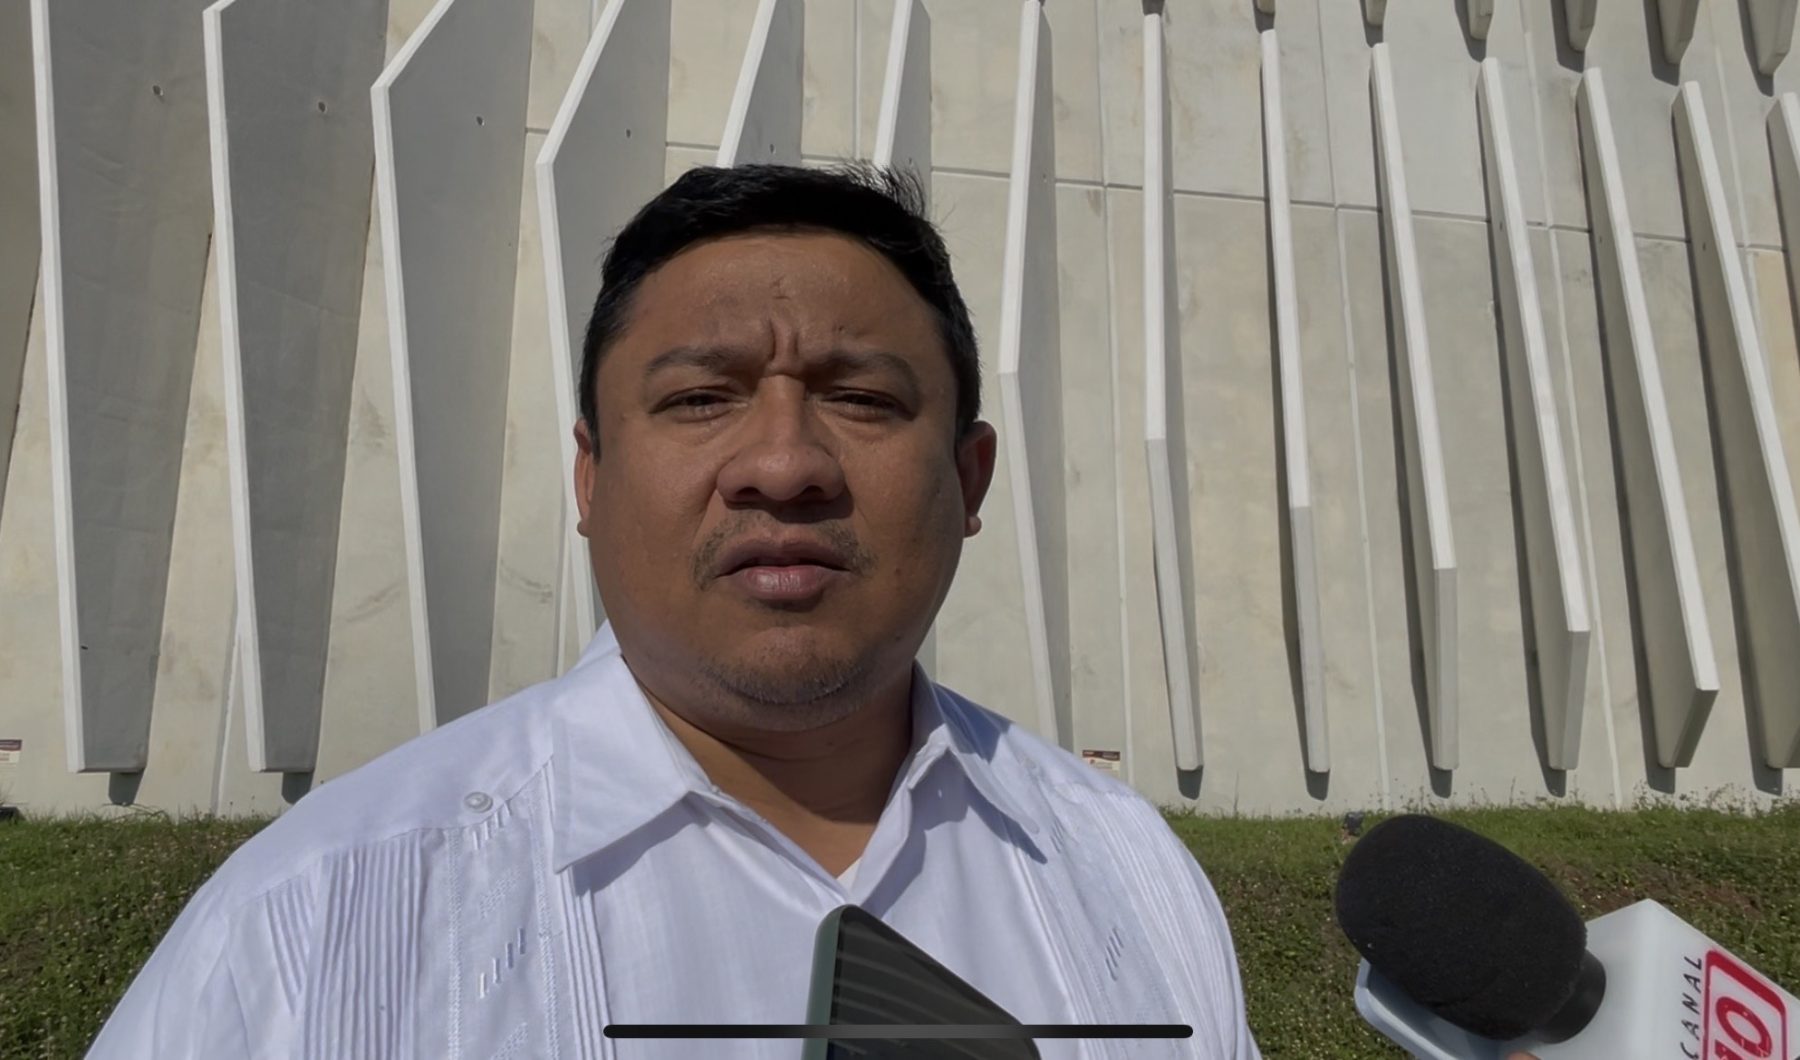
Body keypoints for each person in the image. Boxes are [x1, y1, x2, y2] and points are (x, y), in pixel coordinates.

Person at [89, 164, 1260, 1059]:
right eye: (701, 397)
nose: (784, 465)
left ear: (969, 477)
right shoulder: (315, 922)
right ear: (590, 477)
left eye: (862, 396)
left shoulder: (1125, 869)